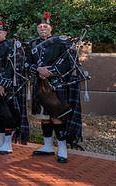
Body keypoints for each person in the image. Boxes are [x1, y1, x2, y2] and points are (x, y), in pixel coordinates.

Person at [28, 12, 82, 163]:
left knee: (57, 117)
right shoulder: (32, 44)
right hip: (40, 84)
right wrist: (38, 70)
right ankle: (47, 146)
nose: (42, 28)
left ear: (51, 28)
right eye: (40, 26)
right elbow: (27, 63)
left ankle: (62, 148)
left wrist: (50, 72)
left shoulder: (61, 42)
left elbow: (71, 62)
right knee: (44, 117)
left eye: (45, 26)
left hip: (57, 85)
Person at [0, 20, 28, 155]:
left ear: (5, 33)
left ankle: (8, 144)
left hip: (8, 87)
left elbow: (14, 66)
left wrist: (2, 84)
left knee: (8, 114)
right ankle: (1, 140)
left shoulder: (13, 45)